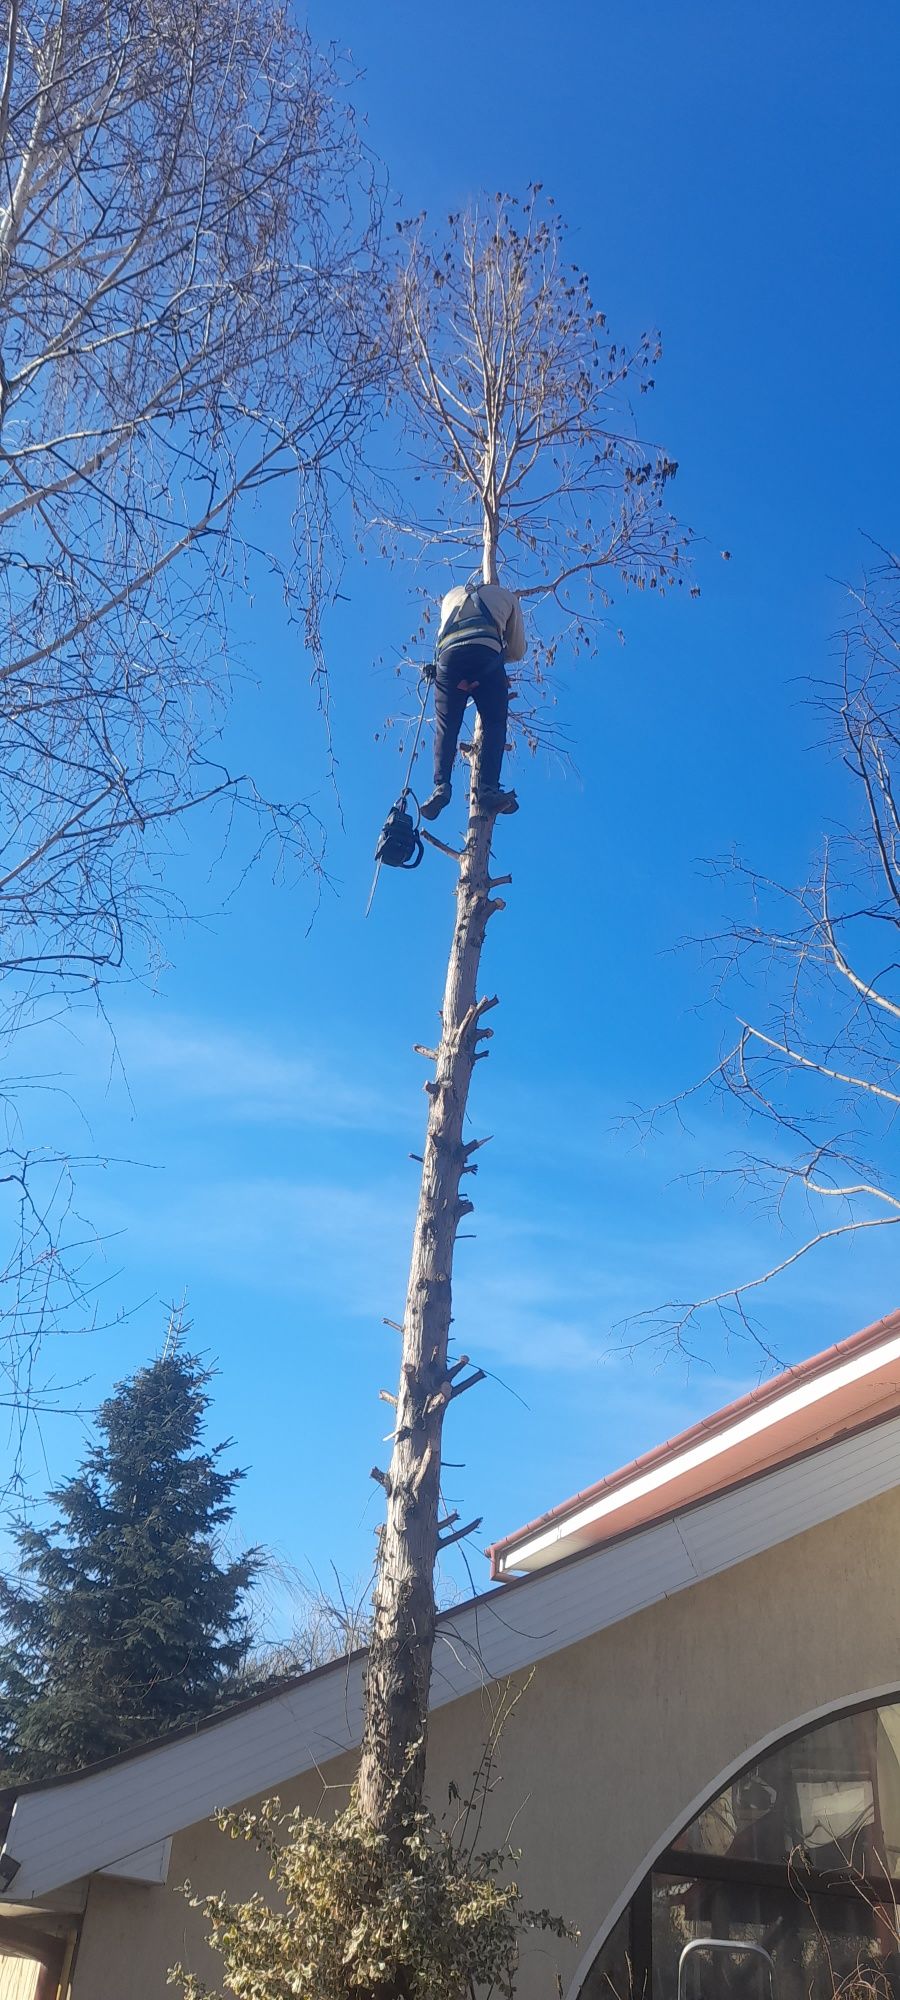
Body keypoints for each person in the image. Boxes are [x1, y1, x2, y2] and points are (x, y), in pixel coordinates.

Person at [420, 578, 525, 820]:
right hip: (485, 655)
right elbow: (517, 650)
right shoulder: (507, 597)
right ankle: (488, 787)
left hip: (448, 661)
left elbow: (442, 636)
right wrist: (492, 666)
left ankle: (441, 786)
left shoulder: (450, 596)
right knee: (494, 723)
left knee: (446, 726)